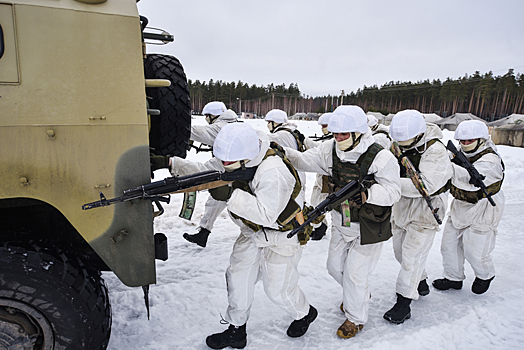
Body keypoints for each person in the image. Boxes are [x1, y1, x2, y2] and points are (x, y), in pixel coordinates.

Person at [168, 123, 317, 349]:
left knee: (278, 290)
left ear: (247, 157)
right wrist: (170, 163)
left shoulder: (273, 170)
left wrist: (230, 195)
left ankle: (304, 312)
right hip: (251, 232)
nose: (225, 165)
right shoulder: (233, 155)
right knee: (237, 280)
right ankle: (236, 330)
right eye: (223, 160)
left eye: (228, 162)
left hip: (281, 236)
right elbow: (205, 171)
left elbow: (267, 215)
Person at [284, 105, 401, 339]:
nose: (338, 137)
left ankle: (355, 319)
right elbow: (305, 160)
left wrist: (369, 194)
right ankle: (357, 294)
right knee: (334, 267)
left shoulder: (380, 156)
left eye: (344, 134)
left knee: (355, 274)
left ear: (358, 132)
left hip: (369, 225)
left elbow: (394, 191)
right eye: (336, 133)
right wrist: (281, 152)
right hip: (341, 220)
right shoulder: (330, 150)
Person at [384, 109, 453, 324]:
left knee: (412, 256)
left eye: (406, 140)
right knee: (400, 253)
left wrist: (388, 183)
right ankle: (419, 280)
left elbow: (426, 186)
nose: (401, 144)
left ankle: (403, 303)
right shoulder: (395, 144)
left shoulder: (435, 150)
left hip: (426, 207)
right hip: (402, 205)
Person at [433, 120, 505, 295]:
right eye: (462, 141)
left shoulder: (490, 159)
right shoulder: (457, 154)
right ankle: (453, 277)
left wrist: (446, 167)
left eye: (469, 141)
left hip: (483, 208)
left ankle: (485, 274)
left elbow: (470, 182)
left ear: (481, 139)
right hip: (460, 205)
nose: (465, 144)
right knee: (449, 245)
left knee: (475, 249)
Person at [183, 101, 238, 247]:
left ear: (211, 115)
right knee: (215, 200)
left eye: (206, 117)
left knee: (238, 209)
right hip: (232, 168)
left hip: (228, 167)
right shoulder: (234, 123)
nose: (206, 120)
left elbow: (199, 132)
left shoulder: (221, 127)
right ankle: (203, 234)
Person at [304, 112, 333, 240]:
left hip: (332, 181)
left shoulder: (336, 141)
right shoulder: (328, 138)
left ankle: (344, 231)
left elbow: (322, 151)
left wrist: (306, 142)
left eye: (325, 125)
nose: (323, 128)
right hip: (322, 179)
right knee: (316, 205)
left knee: (344, 213)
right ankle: (319, 227)